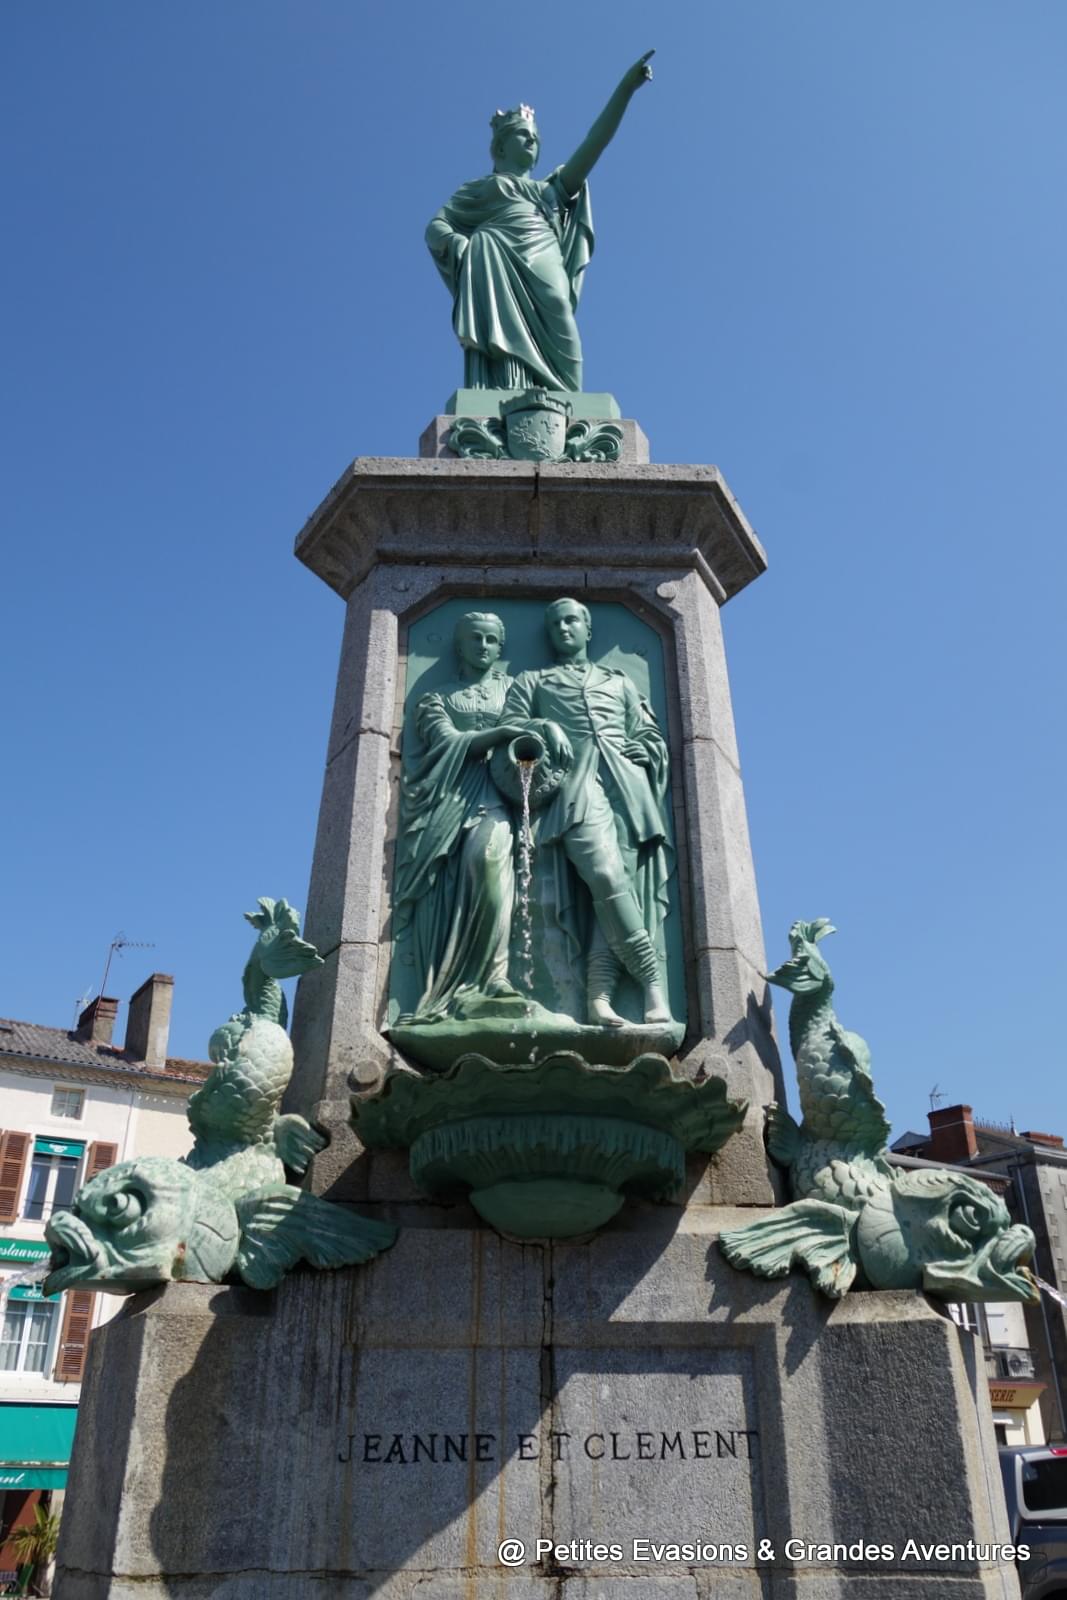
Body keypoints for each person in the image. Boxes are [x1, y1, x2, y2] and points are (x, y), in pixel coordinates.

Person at [426, 52, 654, 392]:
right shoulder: (479, 189)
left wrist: (625, 90)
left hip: (543, 255)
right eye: (523, 135)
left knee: (561, 318)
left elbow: (595, 143)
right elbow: (436, 226)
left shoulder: (551, 189)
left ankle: (565, 403)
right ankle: (505, 392)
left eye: (535, 137)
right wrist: (457, 242)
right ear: (500, 148)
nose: (532, 140)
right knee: (501, 337)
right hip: (494, 255)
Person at [500, 598, 674, 1027]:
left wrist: (646, 748)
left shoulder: (619, 682)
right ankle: (652, 983)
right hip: (576, 784)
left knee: (616, 896)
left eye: (571, 620)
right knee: (607, 877)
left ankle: (600, 998)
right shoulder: (533, 680)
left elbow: (647, 732)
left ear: (588, 629)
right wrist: (544, 725)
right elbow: (509, 728)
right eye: (555, 623)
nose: (563, 628)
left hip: (628, 786)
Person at [393, 613, 528, 1021]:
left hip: (497, 799)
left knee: (489, 867)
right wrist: (499, 734)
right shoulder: (437, 699)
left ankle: (495, 977)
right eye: (475, 639)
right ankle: (452, 984)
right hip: (448, 802)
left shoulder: (515, 689)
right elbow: (446, 742)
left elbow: (533, 730)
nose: (483, 646)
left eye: (491, 640)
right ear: (460, 645)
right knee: (446, 894)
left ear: (500, 648)